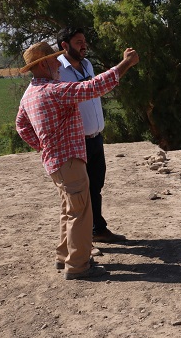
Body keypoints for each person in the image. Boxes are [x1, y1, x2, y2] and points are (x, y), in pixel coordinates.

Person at [16, 41, 139, 280]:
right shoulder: (54, 90)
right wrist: (125, 64)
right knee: (81, 213)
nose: (58, 64)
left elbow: (21, 126)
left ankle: (64, 256)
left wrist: (43, 146)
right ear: (43, 64)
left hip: (56, 163)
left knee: (69, 210)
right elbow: (93, 87)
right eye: (54, 59)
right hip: (69, 161)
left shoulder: (29, 93)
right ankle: (79, 265)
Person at [57, 27, 125, 243]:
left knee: (95, 186)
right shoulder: (58, 70)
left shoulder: (87, 64)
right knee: (79, 194)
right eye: (78, 42)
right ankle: (82, 240)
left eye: (84, 41)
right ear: (64, 45)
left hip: (95, 138)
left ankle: (97, 229)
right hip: (75, 142)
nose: (84, 45)